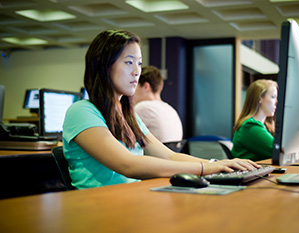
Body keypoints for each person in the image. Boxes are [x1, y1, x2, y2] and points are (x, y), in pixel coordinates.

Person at [62, 29, 260, 189]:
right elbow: (127, 165)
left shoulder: (128, 117)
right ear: (103, 66)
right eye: (129, 62)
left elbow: (170, 155)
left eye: (139, 63)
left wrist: (214, 165)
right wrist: (205, 168)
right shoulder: (82, 111)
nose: (136, 71)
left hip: (131, 201)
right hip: (98, 208)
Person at [231, 79, 299, 161]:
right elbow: (280, 153)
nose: (276, 102)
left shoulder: (261, 126)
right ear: (259, 99)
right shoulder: (249, 127)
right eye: (272, 97)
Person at [133, 65, 183, 143]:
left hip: (153, 155)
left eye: (135, 86)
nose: (133, 92)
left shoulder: (142, 107)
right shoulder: (170, 109)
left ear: (146, 86)